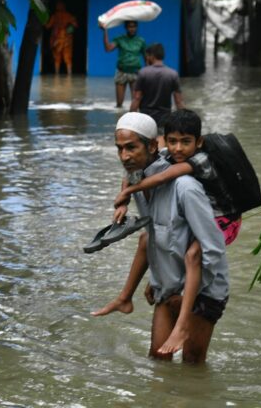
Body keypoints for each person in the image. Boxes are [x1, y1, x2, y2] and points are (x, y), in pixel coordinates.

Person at [92, 112, 230, 363]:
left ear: (153, 146)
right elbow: (154, 237)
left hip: (203, 290)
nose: (125, 156)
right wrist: (156, 277)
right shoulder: (138, 179)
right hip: (168, 285)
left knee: (192, 364)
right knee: (158, 360)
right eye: (120, 149)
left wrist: (194, 291)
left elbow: (213, 249)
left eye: (132, 147)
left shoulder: (185, 187)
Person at [130, 43, 184, 147]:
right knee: (161, 147)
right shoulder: (172, 74)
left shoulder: (143, 73)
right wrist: (183, 121)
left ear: (151, 56)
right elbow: (179, 101)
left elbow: (136, 98)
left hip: (145, 118)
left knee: (145, 146)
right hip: (164, 118)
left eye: (147, 56)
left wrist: (130, 120)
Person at [102, 21, 146, 108]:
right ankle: (119, 120)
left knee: (136, 101)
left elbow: (146, 58)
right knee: (119, 103)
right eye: (130, 27)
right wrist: (105, 31)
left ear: (136, 27)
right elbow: (108, 48)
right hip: (121, 71)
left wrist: (148, 75)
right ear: (126, 28)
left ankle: (135, 120)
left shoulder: (141, 41)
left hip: (135, 72)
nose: (132, 29)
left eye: (134, 26)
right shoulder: (120, 39)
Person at [45, 1, 79, 75]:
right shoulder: (68, 16)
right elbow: (75, 25)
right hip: (66, 39)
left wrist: (43, 20)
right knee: (67, 57)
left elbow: (47, 26)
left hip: (57, 39)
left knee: (57, 58)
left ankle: (57, 74)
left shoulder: (55, 16)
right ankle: (69, 74)